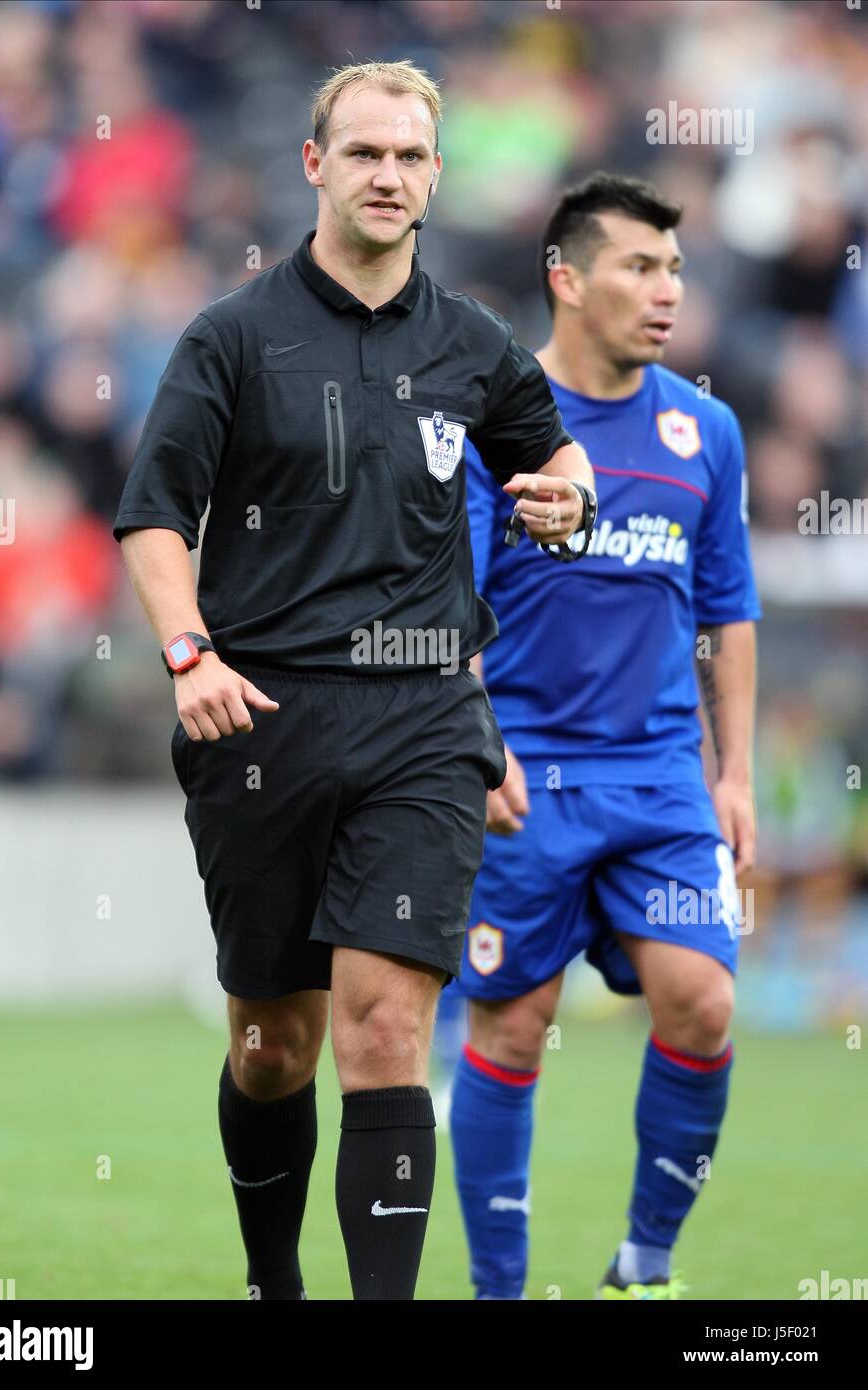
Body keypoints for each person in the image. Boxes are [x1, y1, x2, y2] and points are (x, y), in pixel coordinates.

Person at [111, 60, 593, 1301]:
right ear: (314, 165)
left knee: (386, 1029)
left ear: (436, 175)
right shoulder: (231, 336)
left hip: (424, 717)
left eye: (410, 156)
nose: (388, 175)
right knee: (274, 1045)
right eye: (364, 152)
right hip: (260, 717)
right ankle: (272, 1281)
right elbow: (155, 516)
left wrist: (567, 503)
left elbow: (560, 466)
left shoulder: (472, 341)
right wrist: (187, 653)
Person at [449, 172, 759, 1300]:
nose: (667, 289)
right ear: (568, 280)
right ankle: (500, 1289)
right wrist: (478, 739)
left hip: (660, 778)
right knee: (512, 1025)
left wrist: (735, 774)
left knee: (703, 1002)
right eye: (639, 265)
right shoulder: (498, 421)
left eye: (674, 267)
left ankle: (644, 1263)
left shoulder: (704, 429)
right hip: (526, 773)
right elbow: (452, 602)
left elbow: (728, 609)